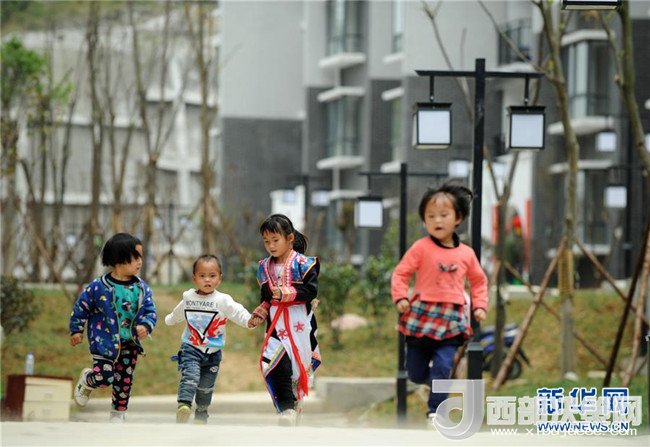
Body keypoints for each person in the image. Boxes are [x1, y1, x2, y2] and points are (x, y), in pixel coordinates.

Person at [390, 183, 488, 427]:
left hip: (451, 318)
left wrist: (480, 306)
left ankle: (435, 412)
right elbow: (401, 274)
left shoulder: (466, 254)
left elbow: (478, 281)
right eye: (431, 216)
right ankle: (435, 382)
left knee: (444, 365)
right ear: (424, 220)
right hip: (421, 317)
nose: (437, 220)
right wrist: (401, 297)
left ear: (458, 218)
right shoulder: (420, 248)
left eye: (444, 215)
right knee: (414, 372)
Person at [69, 233, 157, 423]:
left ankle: (118, 414)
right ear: (118, 260)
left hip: (130, 343)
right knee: (104, 377)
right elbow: (81, 308)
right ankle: (89, 379)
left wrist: (146, 325)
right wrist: (76, 330)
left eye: (141, 257)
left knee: (124, 381)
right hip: (104, 342)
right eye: (135, 257)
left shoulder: (142, 288)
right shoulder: (97, 287)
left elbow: (150, 311)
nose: (140, 262)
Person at [247, 214, 321, 426]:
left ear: (289, 238)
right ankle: (287, 409)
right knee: (275, 363)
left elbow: (310, 291)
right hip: (275, 326)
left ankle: (294, 404)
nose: (270, 246)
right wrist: (259, 314)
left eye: (275, 240)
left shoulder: (305, 264)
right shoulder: (263, 267)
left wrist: (285, 293)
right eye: (266, 241)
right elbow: (266, 298)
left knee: (296, 370)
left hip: (300, 325)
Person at [165, 254, 252, 424]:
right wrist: (170, 319)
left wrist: (249, 321)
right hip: (191, 347)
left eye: (212, 276)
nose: (207, 280)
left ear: (219, 278)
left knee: (206, 388)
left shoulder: (222, 300)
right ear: (194, 278)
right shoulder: (189, 298)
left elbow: (237, 312)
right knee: (190, 377)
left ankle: (201, 413)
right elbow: (178, 312)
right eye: (202, 276)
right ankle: (184, 405)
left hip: (213, 352)